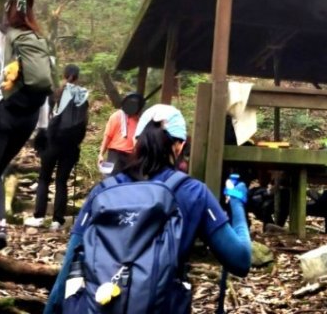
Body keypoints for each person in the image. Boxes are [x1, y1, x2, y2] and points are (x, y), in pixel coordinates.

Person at [44, 103, 252, 313]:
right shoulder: (193, 192)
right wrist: (236, 204)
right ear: (179, 145)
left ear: (135, 142)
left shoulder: (103, 192)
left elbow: (68, 267)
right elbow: (240, 260)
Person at [0, 0, 52, 259]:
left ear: (9, 5)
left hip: (0, 111)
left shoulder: (0, 36)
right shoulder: (36, 38)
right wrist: (43, 128)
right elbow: (44, 85)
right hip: (28, 117)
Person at [25, 64, 89, 230]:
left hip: (52, 142)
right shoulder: (83, 97)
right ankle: (57, 221)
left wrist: (40, 139)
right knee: (62, 182)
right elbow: (84, 124)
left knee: (44, 179)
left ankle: (38, 217)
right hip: (71, 146)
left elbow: (45, 119)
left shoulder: (56, 93)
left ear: (65, 74)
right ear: (78, 76)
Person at [97, 91, 144, 173]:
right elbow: (108, 136)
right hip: (116, 153)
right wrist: (101, 154)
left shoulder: (140, 121)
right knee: (112, 179)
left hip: (132, 155)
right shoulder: (116, 116)